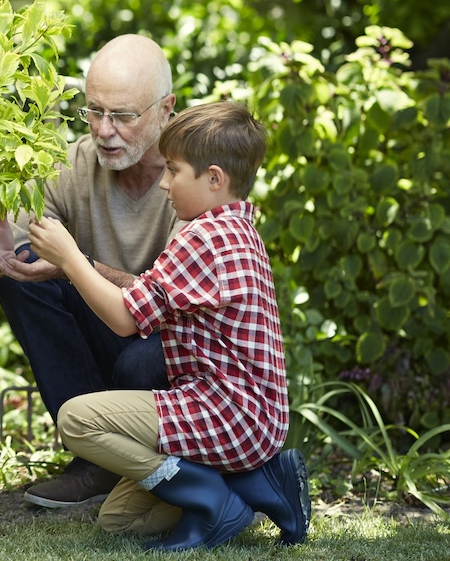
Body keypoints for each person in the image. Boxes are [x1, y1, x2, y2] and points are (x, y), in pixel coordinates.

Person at [28, 100, 309, 550]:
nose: (163, 183)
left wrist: (70, 258)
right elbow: (151, 295)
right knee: (120, 520)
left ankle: (209, 495)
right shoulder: (237, 229)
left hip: (226, 413)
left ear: (214, 178)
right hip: (253, 420)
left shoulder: (202, 237)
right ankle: (254, 484)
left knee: (76, 419)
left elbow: (123, 319)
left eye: (173, 171)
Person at [0, 34, 182, 508]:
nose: (104, 130)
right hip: (108, 338)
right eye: (94, 111)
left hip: (175, 357)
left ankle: (153, 463)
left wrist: (77, 266)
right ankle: (94, 459)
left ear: (165, 109)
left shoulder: (197, 175)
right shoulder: (73, 165)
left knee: (141, 358)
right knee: (25, 269)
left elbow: (176, 303)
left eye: (122, 116)